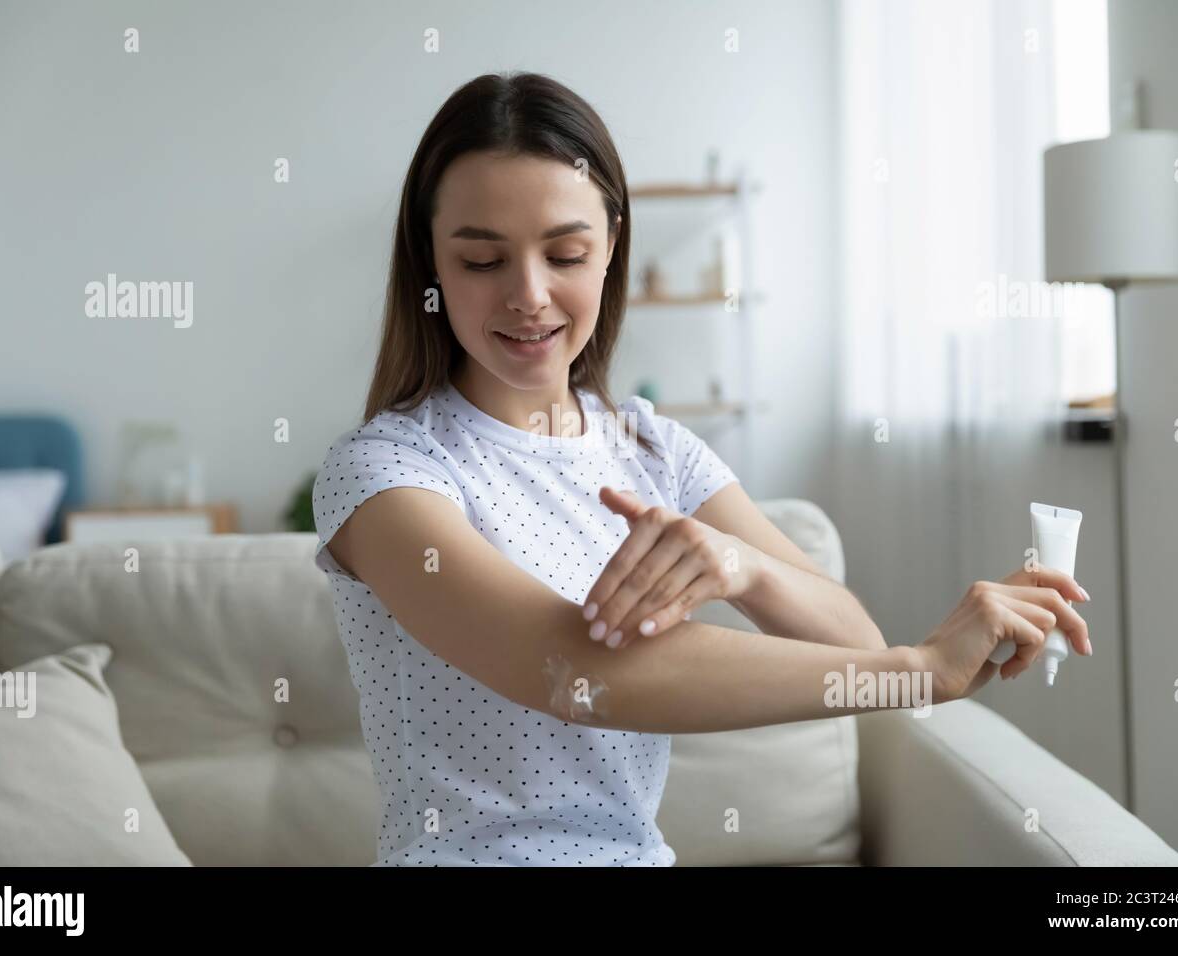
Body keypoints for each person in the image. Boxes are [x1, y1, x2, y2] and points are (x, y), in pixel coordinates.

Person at [312, 71, 1091, 866]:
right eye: (482, 261)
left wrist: (741, 565)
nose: (530, 294)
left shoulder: (654, 449)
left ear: (612, 248)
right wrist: (917, 671)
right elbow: (571, 674)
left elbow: (850, 638)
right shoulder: (384, 473)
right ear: (432, 264)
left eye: (567, 253)